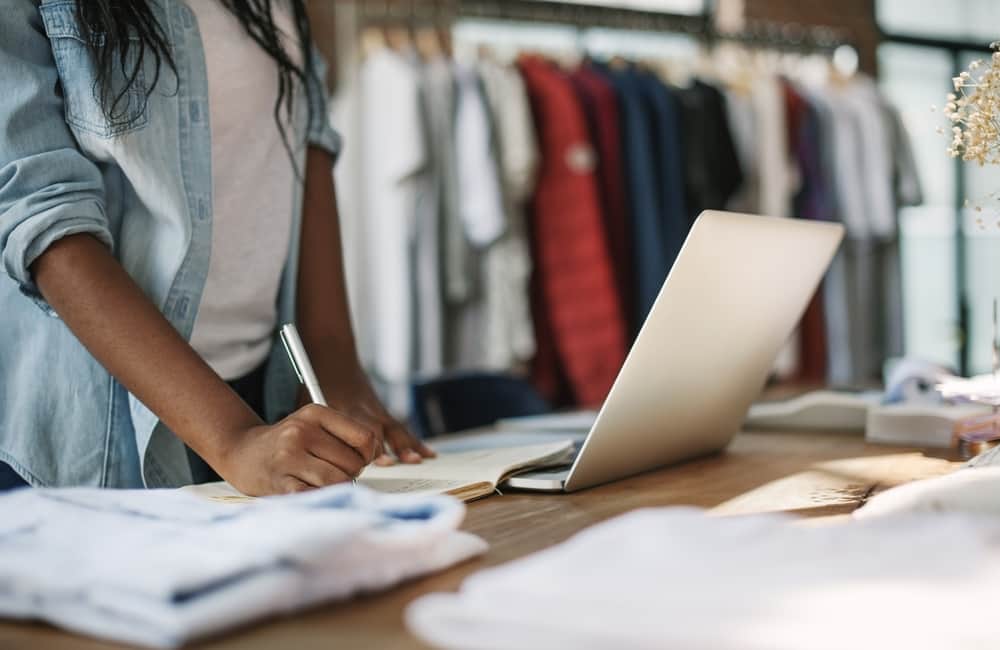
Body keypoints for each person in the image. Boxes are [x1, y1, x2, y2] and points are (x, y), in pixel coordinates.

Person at [0, 0, 434, 495]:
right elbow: (42, 214)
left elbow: (307, 136)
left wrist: (338, 372)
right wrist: (233, 438)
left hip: (262, 400)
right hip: (101, 430)